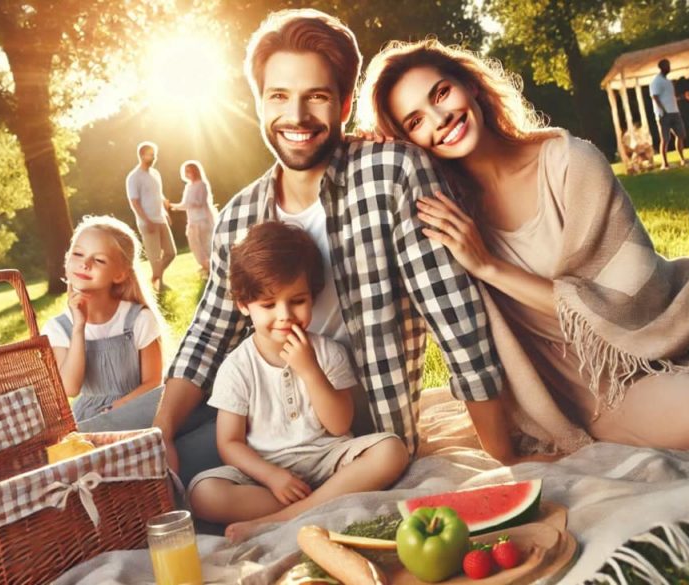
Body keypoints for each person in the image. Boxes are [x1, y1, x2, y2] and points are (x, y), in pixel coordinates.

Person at [357, 39, 689, 458]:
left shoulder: (569, 161)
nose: (440, 119)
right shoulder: (445, 215)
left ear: (471, 87)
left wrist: (489, 266)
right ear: (407, 141)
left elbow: (633, 299)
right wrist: (374, 155)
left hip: (682, 313)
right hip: (593, 377)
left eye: (441, 94)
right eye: (415, 121)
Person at [139, 8, 508, 487]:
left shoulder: (392, 173)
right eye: (279, 96)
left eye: (316, 96)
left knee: (174, 484)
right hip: (259, 430)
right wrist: (161, 431)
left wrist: (505, 465)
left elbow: (457, 324)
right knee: (115, 443)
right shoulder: (240, 215)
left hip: (356, 442)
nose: (296, 116)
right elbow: (208, 336)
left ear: (344, 104)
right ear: (259, 104)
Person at [188, 222, 408, 542]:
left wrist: (310, 371)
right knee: (203, 494)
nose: (284, 315)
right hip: (269, 474)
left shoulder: (327, 353)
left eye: (297, 300)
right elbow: (229, 442)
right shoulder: (236, 367)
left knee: (392, 450)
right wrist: (272, 476)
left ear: (313, 295)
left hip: (330, 461)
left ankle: (282, 520)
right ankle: (320, 504)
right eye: (268, 304)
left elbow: (339, 424)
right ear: (242, 304)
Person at [41, 215, 165, 424]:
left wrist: (122, 407)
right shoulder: (58, 328)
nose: (85, 264)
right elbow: (71, 388)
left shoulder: (138, 319)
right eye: (78, 254)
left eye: (99, 260)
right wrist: (78, 328)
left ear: (120, 274)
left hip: (139, 410)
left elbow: (153, 381)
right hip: (91, 419)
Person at [125, 141, 177, 291]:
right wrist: (146, 220)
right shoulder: (134, 177)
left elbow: (159, 195)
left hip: (160, 218)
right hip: (147, 222)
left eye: (154, 154)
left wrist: (165, 212)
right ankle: (158, 286)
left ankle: (154, 278)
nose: (154, 157)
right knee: (155, 258)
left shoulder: (155, 174)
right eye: (150, 154)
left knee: (171, 253)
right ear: (141, 155)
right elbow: (134, 202)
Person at [170, 160, 218, 276]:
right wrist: (173, 206)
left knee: (206, 245)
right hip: (193, 221)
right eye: (185, 171)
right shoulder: (188, 186)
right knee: (196, 246)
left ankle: (211, 268)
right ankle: (207, 267)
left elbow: (200, 202)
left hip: (202, 220)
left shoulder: (202, 184)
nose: (187, 173)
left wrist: (187, 205)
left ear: (195, 171)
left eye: (189, 171)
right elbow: (185, 204)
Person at [649, 59, 688, 169]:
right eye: (667, 66)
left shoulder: (668, 82)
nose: (669, 68)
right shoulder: (656, 81)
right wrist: (663, 110)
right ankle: (665, 163)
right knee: (665, 139)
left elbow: (669, 97)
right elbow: (655, 97)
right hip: (664, 114)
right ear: (662, 67)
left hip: (675, 111)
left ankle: (682, 159)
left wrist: (681, 98)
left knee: (681, 135)